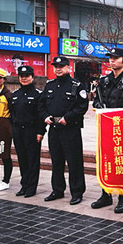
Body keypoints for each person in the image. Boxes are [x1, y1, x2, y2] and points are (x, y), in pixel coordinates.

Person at [90, 47, 123, 212]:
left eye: (116, 58)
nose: (112, 60)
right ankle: (106, 194)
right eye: (110, 58)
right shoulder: (104, 80)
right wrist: (99, 106)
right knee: (106, 161)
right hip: (106, 126)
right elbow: (96, 101)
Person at [38, 56, 88, 205]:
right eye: (56, 66)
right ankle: (57, 190)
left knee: (74, 162)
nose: (58, 69)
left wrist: (68, 117)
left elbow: (82, 106)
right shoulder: (50, 85)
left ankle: (77, 192)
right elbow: (41, 105)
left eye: (61, 66)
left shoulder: (76, 85)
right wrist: (45, 117)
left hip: (70, 129)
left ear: (68, 68)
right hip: (54, 128)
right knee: (56, 162)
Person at [12, 65, 45, 198]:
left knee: (32, 160)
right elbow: (12, 114)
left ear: (32, 77)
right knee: (22, 159)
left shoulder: (38, 94)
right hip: (18, 131)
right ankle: (24, 185)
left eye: (27, 76)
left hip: (32, 131)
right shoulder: (15, 95)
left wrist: (40, 132)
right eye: (21, 76)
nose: (24, 78)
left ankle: (31, 187)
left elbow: (41, 115)